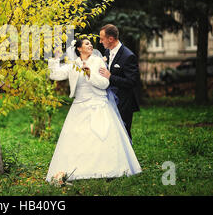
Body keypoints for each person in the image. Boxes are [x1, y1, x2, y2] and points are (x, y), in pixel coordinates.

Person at [45, 37, 141, 183]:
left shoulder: (98, 61)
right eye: (87, 43)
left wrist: (91, 74)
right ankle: (80, 170)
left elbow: (104, 83)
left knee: (102, 136)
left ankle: (109, 170)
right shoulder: (74, 64)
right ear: (79, 48)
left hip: (99, 104)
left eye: (91, 43)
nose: (91, 45)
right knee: (77, 138)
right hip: (79, 105)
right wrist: (55, 59)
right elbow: (55, 74)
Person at [98, 24, 140, 140]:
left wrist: (110, 77)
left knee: (124, 133)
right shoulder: (107, 52)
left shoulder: (128, 56)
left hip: (124, 102)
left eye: (102, 39)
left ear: (110, 39)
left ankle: (129, 157)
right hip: (109, 100)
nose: (100, 42)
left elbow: (131, 82)